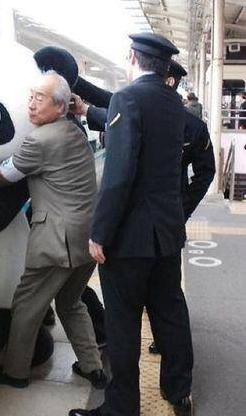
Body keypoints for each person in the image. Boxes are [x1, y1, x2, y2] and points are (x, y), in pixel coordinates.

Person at [70, 33, 193, 416]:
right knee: (170, 315)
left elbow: (119, 175)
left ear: (133, 58)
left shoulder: (128, 98)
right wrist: (88, 110)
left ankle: (122, 408)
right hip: (166, 235)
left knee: (123, 325)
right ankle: (178, 392)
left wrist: (100, 233)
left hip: (129, 241)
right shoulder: (174, 104)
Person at [72, 60, 215, 357]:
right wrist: (181, 210)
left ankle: (125, 387)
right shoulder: (188, 122)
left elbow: (119, 179)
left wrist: (100, 233)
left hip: (129, 231)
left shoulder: (136, 105)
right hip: (167, 226)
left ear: (169, 81)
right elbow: (206, 172)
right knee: (168, 306)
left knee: (125, 316)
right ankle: (176, 377)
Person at [0, 71, 106, 389]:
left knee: (27, 304)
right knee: (71, 303)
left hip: (56, 241)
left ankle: (15, 373)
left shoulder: (39, 140)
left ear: (61, 106)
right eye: (31, 96)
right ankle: (93, 368)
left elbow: (3, 176)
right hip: (87, 238)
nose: (31, 104)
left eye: (40, 98)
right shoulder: (75, 131)